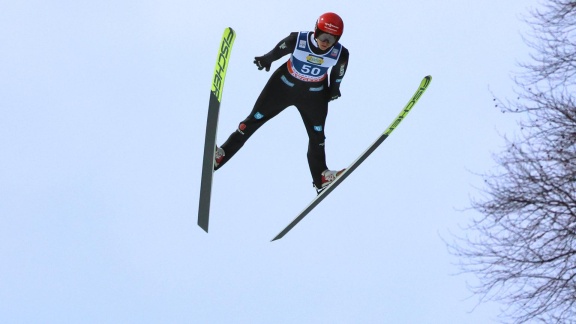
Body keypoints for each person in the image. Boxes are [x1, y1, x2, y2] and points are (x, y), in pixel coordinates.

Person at [214, 12, 349, 193]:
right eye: (323, 36)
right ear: (315, 31)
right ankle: (220, 156)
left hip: (314, 95)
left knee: (318, 137)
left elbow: (338, 74)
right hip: (283, 87)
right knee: (253, 120)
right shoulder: (298, 40)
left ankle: (321, 177)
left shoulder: (340, 53)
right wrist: (266, 59)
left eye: (331, 39)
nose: (325, 42)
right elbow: (278, 51)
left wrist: (334, 89)